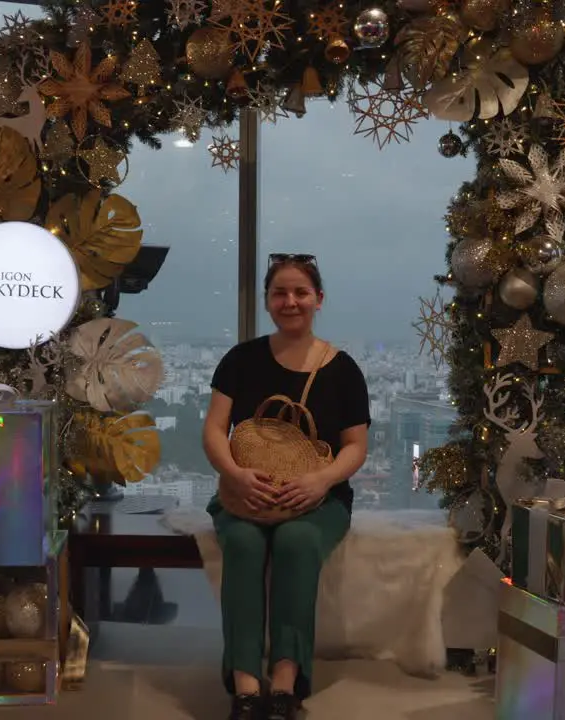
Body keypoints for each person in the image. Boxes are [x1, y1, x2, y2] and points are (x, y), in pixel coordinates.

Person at [202, 253, 371, 720]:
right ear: (267, 301)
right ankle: (244, 682)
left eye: (300, 292)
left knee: (297, 541)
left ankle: (284, 678)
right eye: (280, 292)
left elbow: (355, 446)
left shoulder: (343, 370)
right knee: (242, 540)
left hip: (320, 497)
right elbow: (215, 430)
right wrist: (236, 475)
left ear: (318, 299)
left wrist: (321, 480)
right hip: (244, 491)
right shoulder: (241, 360)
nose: (290, 301)